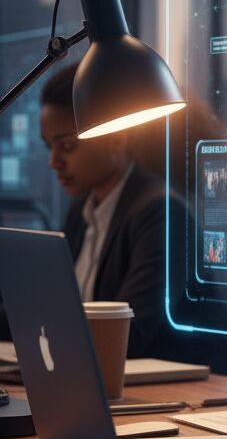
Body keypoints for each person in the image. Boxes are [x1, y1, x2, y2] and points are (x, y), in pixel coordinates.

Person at [34, 63, 189, 356]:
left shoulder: (159, 212)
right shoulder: (82, 210)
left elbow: (129, 334)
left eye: (66, 146)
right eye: (49, 147)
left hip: (180, 388)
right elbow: (53, 308)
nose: (53, 162)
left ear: (118, 137)